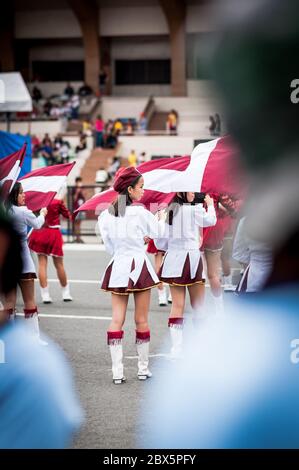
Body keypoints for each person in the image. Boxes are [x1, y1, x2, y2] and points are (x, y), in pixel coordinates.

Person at [0, 203, 83, 449]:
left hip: (37, 239)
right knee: (50, 273)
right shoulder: (34, 363)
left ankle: (46, 295)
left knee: (38, 275)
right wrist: (45, 214)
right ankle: (52, 300)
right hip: (49, 233)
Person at [98, 167, 163, 384]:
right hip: (138, 265)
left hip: (118, 266)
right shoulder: (141, 212)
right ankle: (142, 369)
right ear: (130, 189)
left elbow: (110, 247)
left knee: (117, 319)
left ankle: (117, 372)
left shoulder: (105, 215)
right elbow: (159, 234)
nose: (143, 191)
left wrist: (136, 242)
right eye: (141, 187)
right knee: (141, 319)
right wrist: (160, 217)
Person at [156, 192, 216, 359]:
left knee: (177, 306)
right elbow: (211, 221)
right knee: (199, 305)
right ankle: (201, 346)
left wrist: (161, 220)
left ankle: (176, 349)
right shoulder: (194, 209)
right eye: (189, 190)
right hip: (191, 259)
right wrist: (210, 204)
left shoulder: (169, 211)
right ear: (181, 192)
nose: (193, 193)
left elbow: (160, 243)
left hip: (174, 259)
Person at [2, 183, 47, 343]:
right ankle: (33, 339)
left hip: (6, 262)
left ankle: (8, 338)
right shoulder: (23, 211)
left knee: (9, 302)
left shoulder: (5, 210)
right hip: (23, 260)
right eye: (21, 193)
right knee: (29, 300)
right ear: (14, 195)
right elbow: (37, 224)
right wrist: (42, 213)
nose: (24, 195)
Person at [28, 195, 73, 304]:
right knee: (59, 265)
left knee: (42, 264)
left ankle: (45, 295)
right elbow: (68, 216)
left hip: (40, 232)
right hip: (54, 234)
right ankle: (65, 293)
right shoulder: (57, 201)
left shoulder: (38, 199)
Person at [72, 177, 85, 243]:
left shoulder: (82, 189)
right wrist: (77, 191)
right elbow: (74, 199)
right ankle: (77, 238)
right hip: (76, 208)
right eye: (78, 182)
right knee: (76, 224)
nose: (80, 183)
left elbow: (84, 197)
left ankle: (79, 238)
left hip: (82, 208)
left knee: (79, 224)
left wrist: (81, 191)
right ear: (76, 182)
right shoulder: (74, 189)